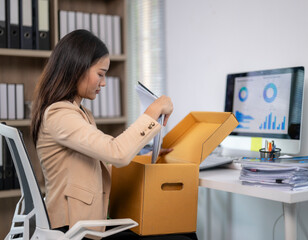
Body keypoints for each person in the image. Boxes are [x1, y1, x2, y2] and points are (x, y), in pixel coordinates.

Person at [30, 30, 196, 240]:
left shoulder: (80, 112)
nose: (104, 82)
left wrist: (145, 154)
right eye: (100, 74)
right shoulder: (59, 114)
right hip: (74, 231)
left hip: (85, 225)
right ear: (77, 68)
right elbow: (116, 153)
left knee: (184, 231)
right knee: (183, 237)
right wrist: (152, 112)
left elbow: (102, 161)